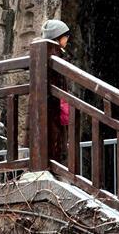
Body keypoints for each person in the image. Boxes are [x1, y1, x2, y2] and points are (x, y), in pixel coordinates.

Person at [39, 19, 71, 159]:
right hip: (51, 104)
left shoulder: (53, 54)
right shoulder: (53, 55)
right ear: (58, 37)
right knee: (52, 137)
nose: (67, 39)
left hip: (51, 103)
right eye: (66, 36)